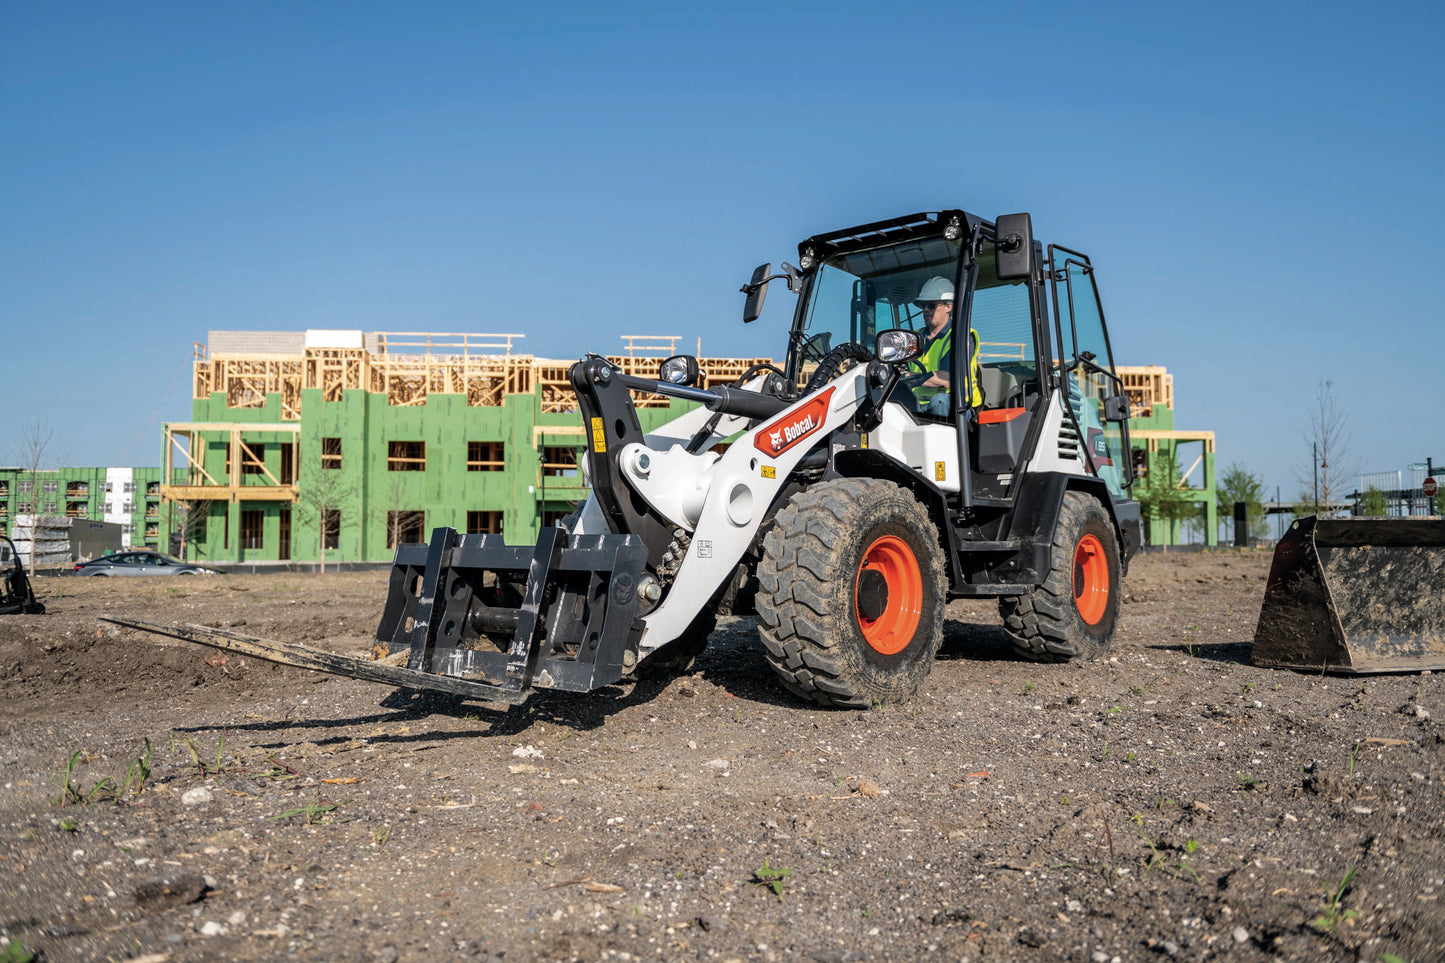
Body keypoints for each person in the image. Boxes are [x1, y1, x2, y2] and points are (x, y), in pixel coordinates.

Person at [911, 276, 981, 416]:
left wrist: (911, 378)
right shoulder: (913, 338)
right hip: (919, 404)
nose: (925, 309)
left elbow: (947, 378)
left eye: (931, 305)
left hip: (958, 404)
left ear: (949, 307)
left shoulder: (960, 336)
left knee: (940, 401)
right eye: (923, 305)